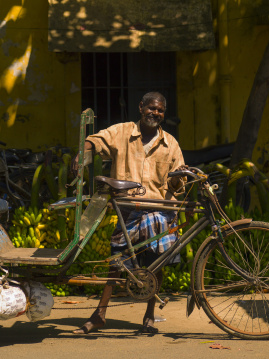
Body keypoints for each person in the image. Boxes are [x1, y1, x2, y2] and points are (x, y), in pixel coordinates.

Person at [72, 91, 188, 334]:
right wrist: (83, 151)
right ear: (141, 107)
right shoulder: (123, 132)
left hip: (159, 209)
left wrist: (179, 178)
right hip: (129, 209)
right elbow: (98, 140)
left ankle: (149, 316)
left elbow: (178, 187)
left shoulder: (171, 144)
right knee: (117, 263)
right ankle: (100, 314)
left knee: (156, 265)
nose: (155, 113)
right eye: (151, 108)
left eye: (160, 110)